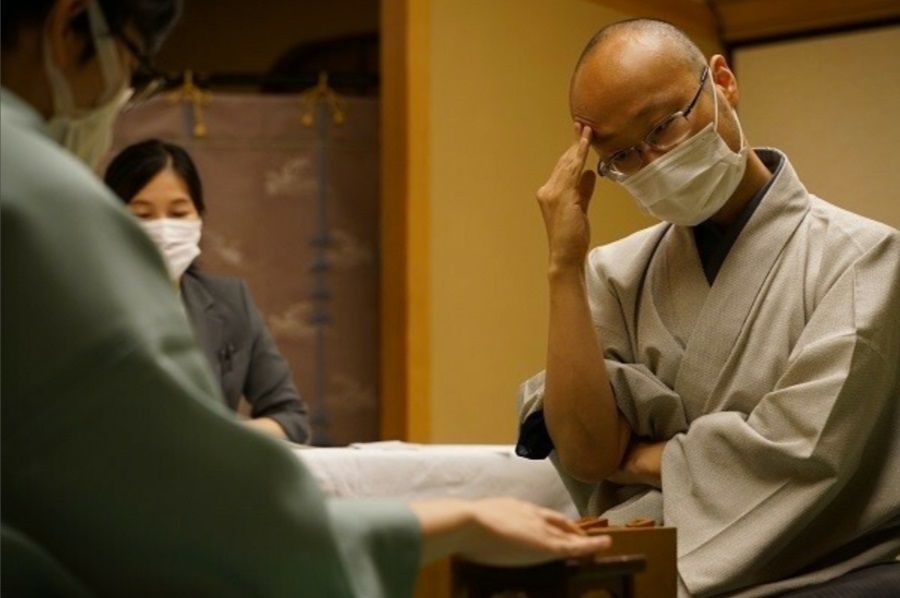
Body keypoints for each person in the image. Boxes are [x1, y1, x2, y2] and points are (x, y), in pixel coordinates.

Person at [1, 1, 611, 596]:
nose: (122, 95)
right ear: (70, 24)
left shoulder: (222, 299)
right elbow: (193, 509)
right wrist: (456, 520)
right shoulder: (41, 202)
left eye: (178, 211)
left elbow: (285, 418)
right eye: (132, 64)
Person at [516, 18, 900, 597]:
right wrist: (563, 265)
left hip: (820, 570)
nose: (654, 161)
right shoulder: (616, 273)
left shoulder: (862, 259)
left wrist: (638, 456)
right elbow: (588, 454)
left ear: (723, 82)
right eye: (623, 155)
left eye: (664, 126)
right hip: (647, 558)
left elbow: (801, 455)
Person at [104, 139, 311, 443]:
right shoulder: (81, 307)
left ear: (198, 217)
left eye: (178, 214)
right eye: (142, 215)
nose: (163, 229)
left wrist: (217, 438)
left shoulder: (230, 302)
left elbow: (291, 419)